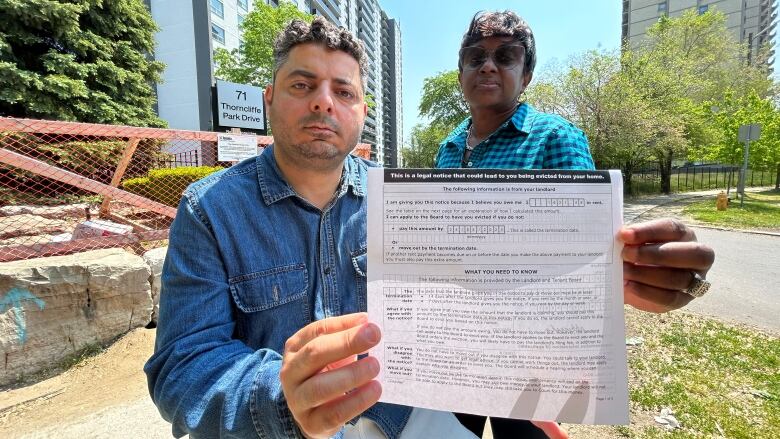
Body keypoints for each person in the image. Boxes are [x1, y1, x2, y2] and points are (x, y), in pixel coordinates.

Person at [145, 17, 484, 439]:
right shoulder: (208, 211)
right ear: (269, 100)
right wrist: (283, 400)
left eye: (344, 92)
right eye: (302, 86)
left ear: (362, 111)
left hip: (401, 415)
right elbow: (183, 366)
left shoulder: (403, 201)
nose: (324, 102)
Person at [435, 10, 716, 438]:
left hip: (531, 350)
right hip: (461, 341)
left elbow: (589, 250)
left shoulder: (556, 138)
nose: (488, 65)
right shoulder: (448, 147)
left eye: (505, 56)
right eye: (475, 58)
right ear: (461, 74)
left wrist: (635, 272)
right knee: (449, 432)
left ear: (525, 75)